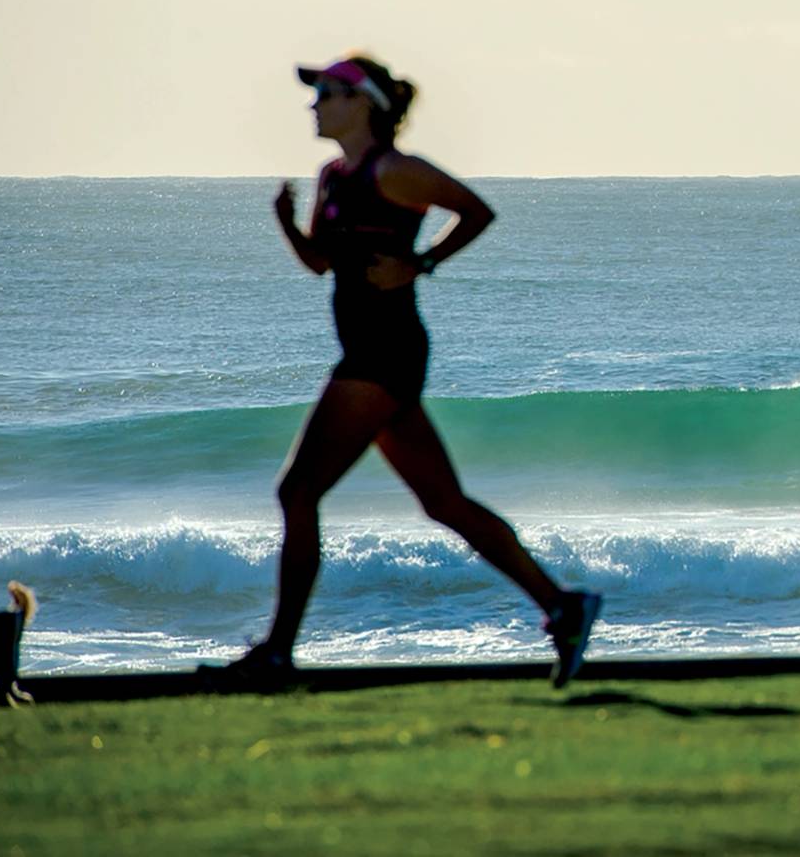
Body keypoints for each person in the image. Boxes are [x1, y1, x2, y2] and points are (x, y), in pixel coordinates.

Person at [206, 55, 600, 690]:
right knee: (443, 502)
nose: (315, 106)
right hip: (367, 352)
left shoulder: (399, 171)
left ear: (363, 104)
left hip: (384, 353)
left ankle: (278, 653)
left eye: (328, 94)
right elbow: (319, 264)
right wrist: (285, 221)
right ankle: (563, 607)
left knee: (297, 492)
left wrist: (421, 264)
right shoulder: (332, 177)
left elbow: (476, 212)